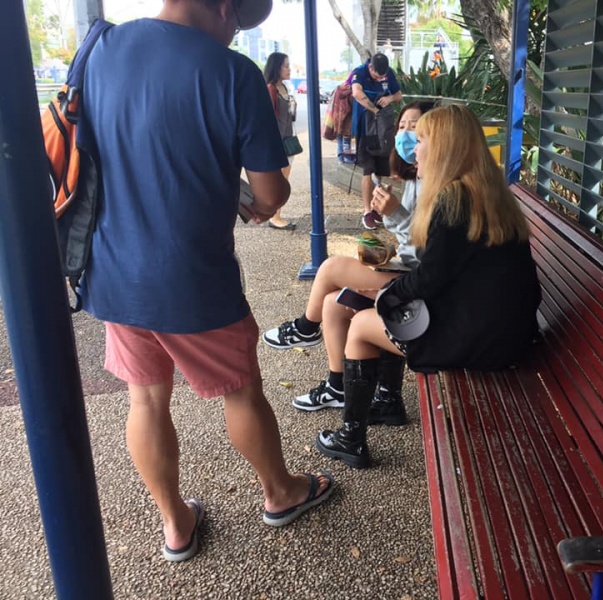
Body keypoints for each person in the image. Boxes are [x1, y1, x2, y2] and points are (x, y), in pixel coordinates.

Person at [81, 0, 333, 562]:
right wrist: (253, 200)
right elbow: (270, 193)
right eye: (239, 23)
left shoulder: (101, 49)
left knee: (146, 399)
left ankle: (176, 524)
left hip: (115, 271)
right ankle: (281, 492)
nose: (235, 34)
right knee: (240, 391)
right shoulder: (233, 73)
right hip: (192, 275)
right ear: (224, 7)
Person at [314, 104, 542, 469]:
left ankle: (350, 438)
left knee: (360, 326)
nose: (414, 148)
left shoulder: (454, 198)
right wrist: (391, 295)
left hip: (481, 341)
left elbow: (430, 278)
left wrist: (385, 296)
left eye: (421, 140)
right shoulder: (488, 193)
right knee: (386, 310)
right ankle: (385, 402)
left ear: (444, 147)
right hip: (506, 334)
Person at [262, 101, 436, 426]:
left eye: (416, 129)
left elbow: (429, 248)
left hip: (419, 282)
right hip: (409, 270)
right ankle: (338, 386)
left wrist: (396, 214)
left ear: (438, 137)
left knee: (330, 268)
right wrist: (389, 221)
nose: (406, 136)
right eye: (401, 127)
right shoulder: (416, 177)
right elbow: (415, 240)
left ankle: (305, 328)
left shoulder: (440, 184)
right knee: (332, 303)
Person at [350, 52, 403, 230]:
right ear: (370, 67)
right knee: (368, 170)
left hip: (384, 130)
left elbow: (399, 95)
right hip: (366, 129)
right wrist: (374, 109)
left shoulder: (389, 74)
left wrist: (389, 98)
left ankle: (376, 209)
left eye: (382, 76)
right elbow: (356, 92)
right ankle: (367, 211)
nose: (380, 78)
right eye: (377, 75)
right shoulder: (360, 72)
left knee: (379, 171)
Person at [264, 51, 297, 230]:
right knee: (279, 181)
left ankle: (276, 215)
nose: (289, 69)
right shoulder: (271, 89)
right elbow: (267, 119)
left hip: (288, 140)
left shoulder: (284, 87)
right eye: (286, 66)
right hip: (278, 143)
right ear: (276, 67)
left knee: (284, 179)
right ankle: (274, 217)